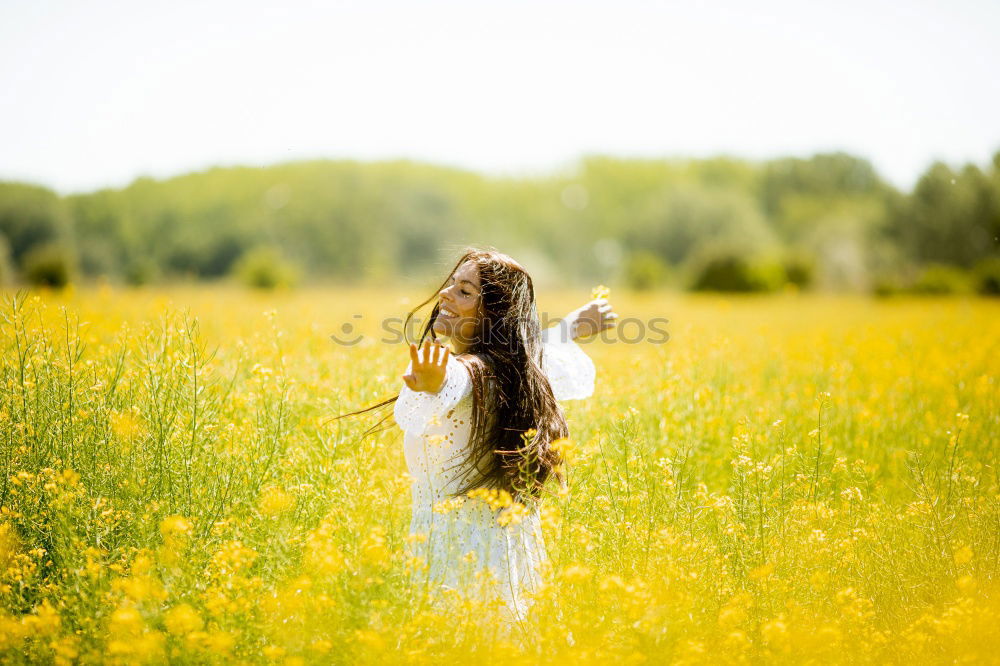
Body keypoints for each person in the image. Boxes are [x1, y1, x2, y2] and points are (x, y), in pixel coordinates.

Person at [345, 247, 617, 632]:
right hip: (503, 558)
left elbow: (456, 380)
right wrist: (573, 324)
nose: (445, 295)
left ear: (493, 314)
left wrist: (435, 386)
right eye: (451, 284)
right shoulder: (519, 372)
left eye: (465, 292)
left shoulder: (466, 373)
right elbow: (536, 348)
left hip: (453, 561)